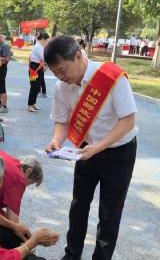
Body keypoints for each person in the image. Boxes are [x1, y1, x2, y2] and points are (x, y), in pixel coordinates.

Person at [44, 36, 138, 260]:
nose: (61, 77)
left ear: (78, 56)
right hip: (85, 151)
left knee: (109, 212)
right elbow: (62, 122)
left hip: (118, 151)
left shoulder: (111, 77)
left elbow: (128, 120)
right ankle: (72, 254)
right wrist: (57, 141)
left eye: (63, 70)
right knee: (78, 206)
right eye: (55, 72)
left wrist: (99, 147)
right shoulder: (62, 86)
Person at [27, 32, 50, 112]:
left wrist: (45, 66)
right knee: (34, 87)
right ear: (43, 39)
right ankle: (30, 105)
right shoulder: (38, 47)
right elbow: (44, 58)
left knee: (37, 87)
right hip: (34, 68)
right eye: (47, 40)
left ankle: (33, 104)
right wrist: (46, 65)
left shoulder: (40, 46)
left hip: (38, 67)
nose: (47, 42)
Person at [0, 31, 11, 113]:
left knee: (2, 87)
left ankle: (5, 106)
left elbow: (7, 58)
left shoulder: (5, 45)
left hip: (2, 68)